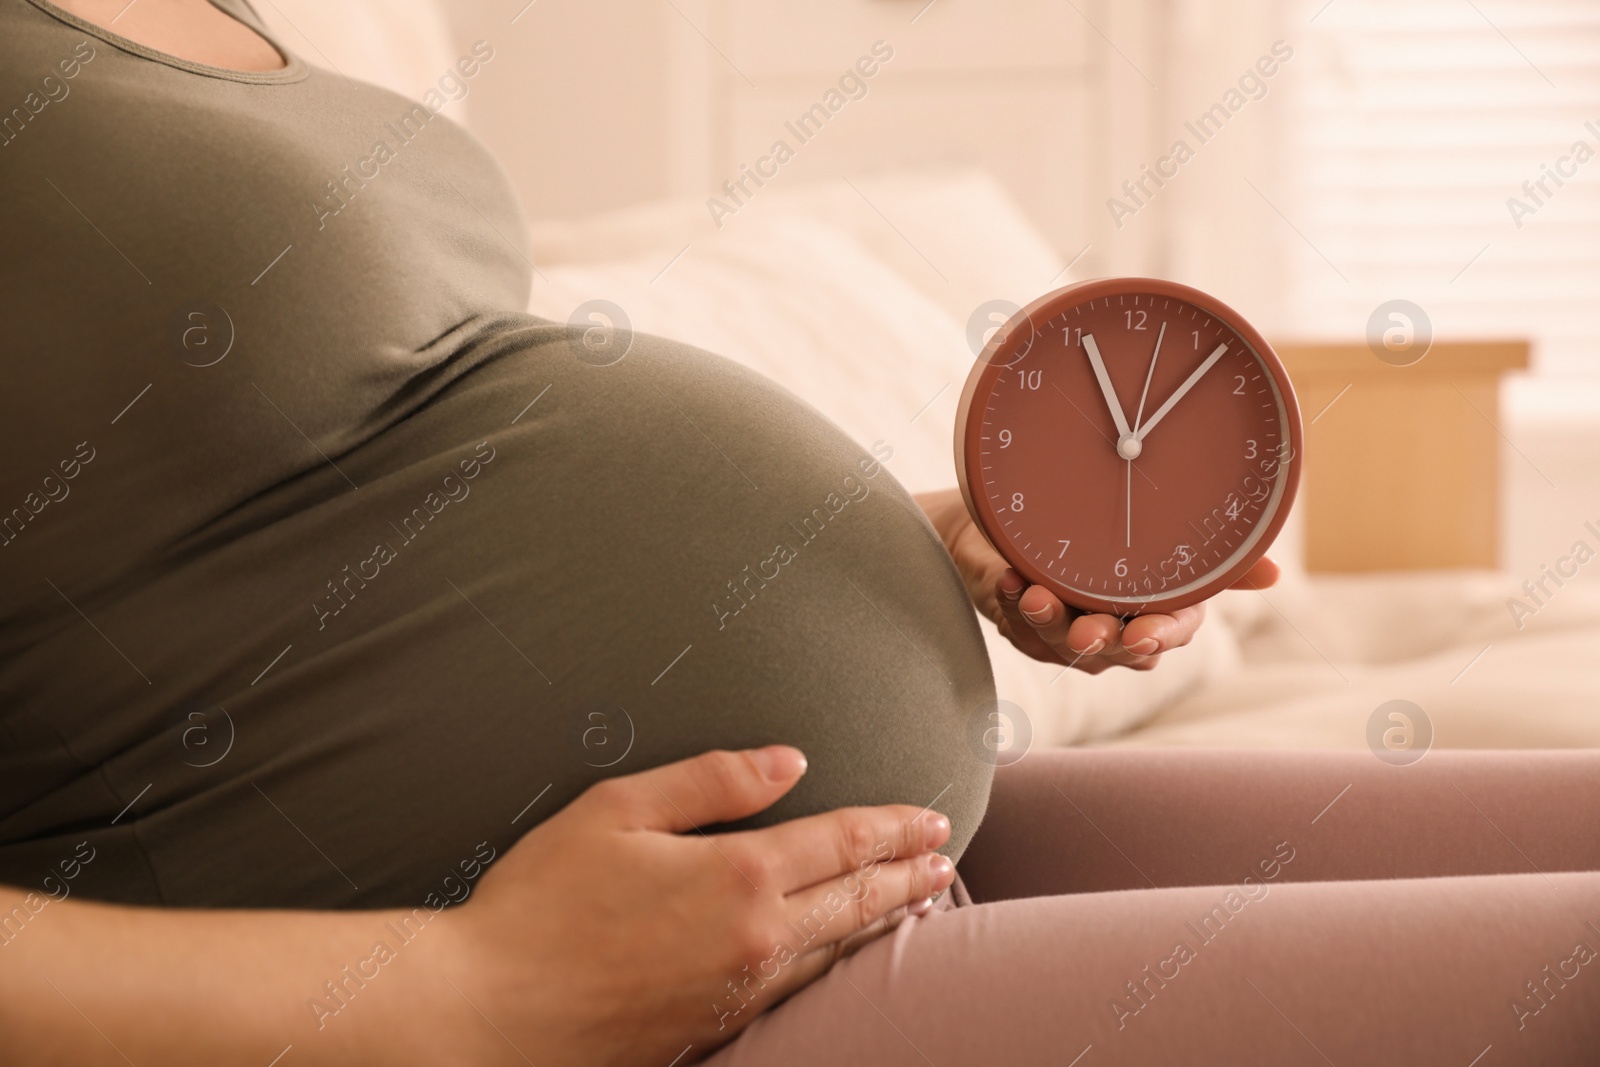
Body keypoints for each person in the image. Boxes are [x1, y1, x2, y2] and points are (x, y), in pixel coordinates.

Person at [0, 2, 1595, 1064]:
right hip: (580, 1008)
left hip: (826, 870)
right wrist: (467, 994)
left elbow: (366, 482)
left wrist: (916, 543)